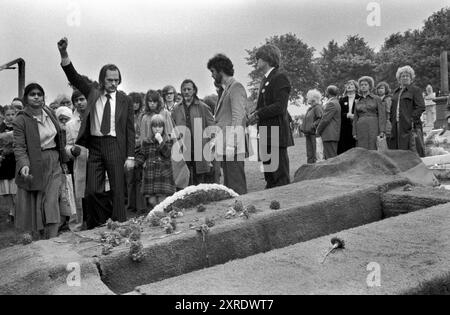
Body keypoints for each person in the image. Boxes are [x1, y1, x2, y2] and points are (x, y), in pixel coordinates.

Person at [58, 37, 135, 228]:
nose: (113, 83)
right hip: (95, 146)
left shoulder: (125, 100)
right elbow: (73, 76)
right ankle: (98, 225)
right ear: (102, 79)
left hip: (114, 145)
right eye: (110, 80)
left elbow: (130, 130)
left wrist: (131, 156)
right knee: (91, 191)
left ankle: (120, 226)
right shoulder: (92, 91)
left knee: (118, 190)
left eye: (117, 80)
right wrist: (64, 53)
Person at [13, 83, 68, 239]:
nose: (36, 96)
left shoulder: (49, 113)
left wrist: (63, 159)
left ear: (43, 96)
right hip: (34, 163)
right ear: (26, 98)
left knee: (52, 201)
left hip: (54, 160)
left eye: (39, 94)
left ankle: (52, 238)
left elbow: (59, 137)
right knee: (36, 202)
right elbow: (19, 146)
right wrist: (24, 164)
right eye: (32, 94)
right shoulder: (21, 119)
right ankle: (37, 240)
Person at [247, 45, 293, 189]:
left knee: (280, 178)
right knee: (269, 177)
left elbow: (280, 106)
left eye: (258, 59)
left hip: (276, 133)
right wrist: (253, 114)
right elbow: (264, 104)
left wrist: (258, 114)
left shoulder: (280, 77)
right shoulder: (265, 79)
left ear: (267, 59)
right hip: (266, 132)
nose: (256, 62)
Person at [207, 54, 248, 193]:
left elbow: (238, 117)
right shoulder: (225, 90)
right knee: (230, 186)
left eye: (213, 71)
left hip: (233, 146)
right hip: (225, 145)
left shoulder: (236, 87)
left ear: (220, 70)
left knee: (236, 186)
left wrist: (232, 143)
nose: (212, 75)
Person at [172, 79, 215, 186]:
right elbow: (173, 128)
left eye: (189, 89)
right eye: (184, 89)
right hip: (183, 149)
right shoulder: (176, 109)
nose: (186, 91)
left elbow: (212, 128)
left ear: (194, 90)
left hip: (199, 148)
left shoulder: (203, 107)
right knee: (184, 180)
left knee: (199, 181)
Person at [135, 114, 176, 209]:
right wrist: (136, 163)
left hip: (163, 175)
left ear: (164, 127)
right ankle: (157, 218)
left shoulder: (168, 140)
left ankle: (163, 219)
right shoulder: (146, 141)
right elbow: (142, 155)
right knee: (152, 200)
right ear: (151, 128)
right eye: (155, 126)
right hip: (150, 175)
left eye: (160, 126)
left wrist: (161, 141)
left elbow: (167, 153)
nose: (157, 129)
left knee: (162, 201)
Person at [65, 89, 89, 231]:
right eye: (76, 100)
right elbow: (67, 145)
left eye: (82, 99)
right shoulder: (70, 124)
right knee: (80, 195)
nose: (79, 103)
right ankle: (79, 223)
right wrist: (71, 151)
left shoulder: (96, 119)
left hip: (96, 161)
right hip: (79, 162)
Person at [388, 65, 425, 153]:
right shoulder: (396, 92)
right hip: (396, 125)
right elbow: (392, 108)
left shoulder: (415, 90)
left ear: (411, 78)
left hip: (410, 126)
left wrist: (411, 120)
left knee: (412, 149)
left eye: (407, 76)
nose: (405, 78)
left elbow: (421, 107)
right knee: (398, 150)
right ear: (399, 79)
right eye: (403, 76)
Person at [352, 76, 386, 150]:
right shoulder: (358, 101)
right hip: (360, 127)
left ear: (370, 86)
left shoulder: (376, 98)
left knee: (373, 147)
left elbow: (382, 115)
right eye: (361, 85)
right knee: (361, 148)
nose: (363, 86)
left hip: (373, 126)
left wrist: (382, 130)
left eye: (365, 84)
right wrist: (354, 132)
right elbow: (355, 117)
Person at [0, 105, 17, 223]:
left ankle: (17, 210)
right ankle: (11, 211)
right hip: (4, 160)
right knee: (6, 190)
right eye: (8, 114)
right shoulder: (1, 127)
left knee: (15, 189)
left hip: (15, 160)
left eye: (13, 114)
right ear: (4, 115)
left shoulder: (19, 126)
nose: (11, 117)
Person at [317, 85, 341, 159]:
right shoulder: (335, 102)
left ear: (328, 92)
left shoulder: (331, 103)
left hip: (329, 134)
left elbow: (325, 119)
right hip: (332, 134)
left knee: (331, 158)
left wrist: (318, 130)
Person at [301, 89, 323, 164]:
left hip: (314, 133)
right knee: (309, 153)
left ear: (313, 98)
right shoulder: (310, 108)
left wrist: (313, 126)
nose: (307, 99)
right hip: (308, 133)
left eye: (308, 97)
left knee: (315, 153)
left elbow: (320, 118)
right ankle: (309, 168)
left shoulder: (317, 107)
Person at [338, 80, 360, 154]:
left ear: (356, 88)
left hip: (357, 126)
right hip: (345, 127)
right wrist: (347, 115)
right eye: (347, 85)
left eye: (351, 84)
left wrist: (355, 116)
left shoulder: (360, 98)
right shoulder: (341, 100)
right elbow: (339, 113)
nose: (349, 86)